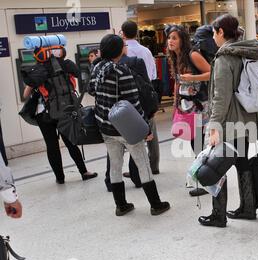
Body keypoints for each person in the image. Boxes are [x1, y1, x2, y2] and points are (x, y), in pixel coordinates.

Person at [198, 14, 258, 228]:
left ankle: (218, 215)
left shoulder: (223, 59)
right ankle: (248, 207)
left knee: (216, 167)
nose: (213, 37)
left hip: (230, 124)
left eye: (214, 33)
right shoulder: (245, 52)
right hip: (248, 119)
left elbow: (221, 97)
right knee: (242, 162)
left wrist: (213, 126)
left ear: (220, 32)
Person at [89, 34, 170, 217]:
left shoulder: (97, 68)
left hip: (105, 126)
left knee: (115, 166)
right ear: (119, 50)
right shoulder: (121, 71)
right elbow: (133, 103)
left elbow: (91, 90)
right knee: (143, 164)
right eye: (123, 45)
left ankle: (121, 205)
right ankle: (156, 204)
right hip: (125, 127)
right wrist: (145, 129)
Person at [22, 50, 97, 185]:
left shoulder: (37, 71)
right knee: (71, 141)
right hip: (64, 110)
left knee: (52, 146)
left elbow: (25, 95)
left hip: (43, 114)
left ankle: (60, 178)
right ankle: (84, 172)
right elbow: (77, 74)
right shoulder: (63, 66)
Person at [166, 25, 211, 197]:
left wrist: (193, 77)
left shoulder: (192, 54)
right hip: (187, 105)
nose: (171, 41)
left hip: (200, 105)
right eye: (169, 37)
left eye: (174, 38)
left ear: (182, 40)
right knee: (195, 142)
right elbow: (178, 82)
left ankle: (206, 179)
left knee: (197, 142)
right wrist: (175, 102)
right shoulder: (176, 57)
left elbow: (211, 72)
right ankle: (204, 176)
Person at [121, 21, 161, 176]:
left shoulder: (122, 53)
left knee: (133, 132)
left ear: (122, 33)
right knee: (151, 130)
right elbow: (153, 74)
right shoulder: (146, 51)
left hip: (129, 96)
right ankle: (154, 165)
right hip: (147, 93)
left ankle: (136, 168)